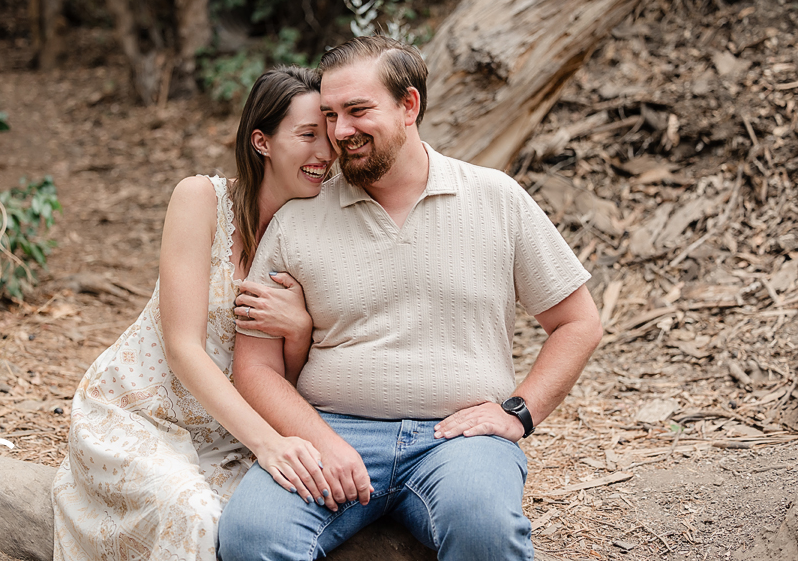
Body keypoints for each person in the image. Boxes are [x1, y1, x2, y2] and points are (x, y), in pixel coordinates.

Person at [217, 36, 604, 560]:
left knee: (484, 528)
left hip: (460, 441)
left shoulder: (495, 197)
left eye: (357, 111)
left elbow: (578, 321)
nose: (340, 132)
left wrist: (520, 412)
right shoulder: (298, 218)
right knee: (252, 535)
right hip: (331, 429)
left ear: (409, 106)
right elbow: (255, 366)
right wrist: (321, 440)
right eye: (330, 115)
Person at [52, 66, 336, 561]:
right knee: (196, 517)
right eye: (308, 135)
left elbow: (280, 379)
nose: (325, 154)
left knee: (257, 529)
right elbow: (183, 348)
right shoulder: (201, 199)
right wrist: (269, 445)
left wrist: (299, 329)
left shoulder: (315, 232)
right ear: (261, 141)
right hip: (136, 415)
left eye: (328, 137)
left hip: (227, 440)